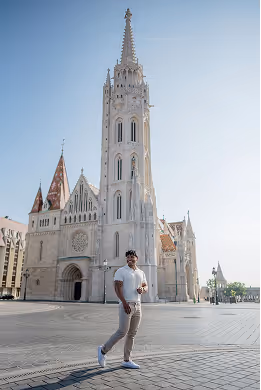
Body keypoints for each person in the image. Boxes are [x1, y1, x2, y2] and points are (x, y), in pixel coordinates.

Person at [98, 249, 148, 369]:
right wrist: (124, 303)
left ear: (137, 258)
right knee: (122, 331)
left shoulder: (141, 272)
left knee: (132, 333)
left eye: (132, 257)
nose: (129, 259)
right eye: (128, 257)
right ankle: (103, 350)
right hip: (126, 304)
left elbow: (145, 286)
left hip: (138, 305)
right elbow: (117, 288)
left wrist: (143, 290)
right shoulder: (121, 271)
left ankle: (127, 359)